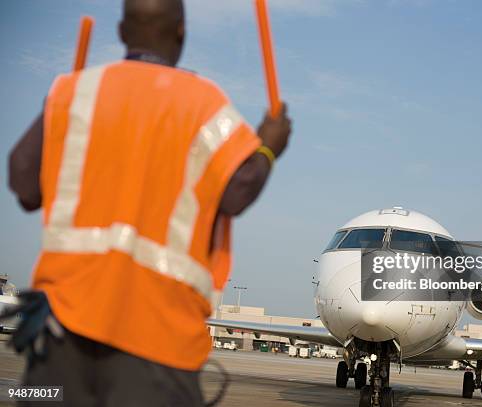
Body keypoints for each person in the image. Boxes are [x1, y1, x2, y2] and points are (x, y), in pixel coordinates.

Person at [7, 0, 291, 405]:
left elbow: (23, 184)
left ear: (121, 32)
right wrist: (268, 148)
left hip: (60, 339)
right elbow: (238, 192)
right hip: (158, 344)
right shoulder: (203, 103)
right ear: (181, 32)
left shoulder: (76, 91)